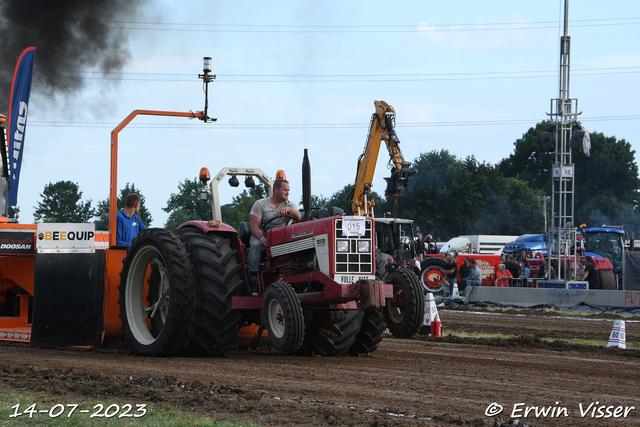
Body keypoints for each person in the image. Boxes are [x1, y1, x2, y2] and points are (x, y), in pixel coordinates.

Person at [248, 179, 301, 295]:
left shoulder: (290, 205)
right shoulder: (260, 204)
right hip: (263, 236)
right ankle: (253, 279)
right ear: (276, 190)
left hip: (281, 237)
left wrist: (289, 211)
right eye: (285, 190)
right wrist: (263, 239)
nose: (287, 193)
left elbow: (298, 216)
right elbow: (255, 228)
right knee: (255, 245)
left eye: (288, 190)